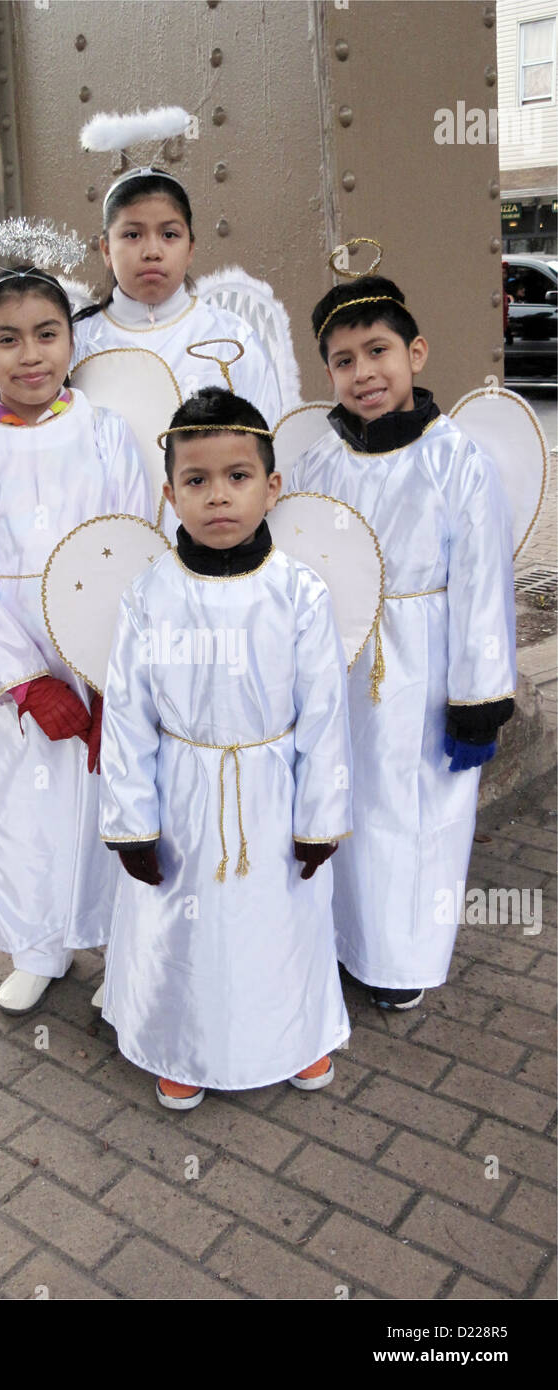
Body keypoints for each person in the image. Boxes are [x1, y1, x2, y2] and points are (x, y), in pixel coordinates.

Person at [99, 386, 352, 1109]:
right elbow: (129, 713)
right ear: (170, 493)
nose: (219, 498)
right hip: (182, 789)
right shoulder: (150, 594)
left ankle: (297, 1034)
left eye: (238, 477)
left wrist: (320, 817)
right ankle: (181, 1041)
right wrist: (133, 822)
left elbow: (325, 714)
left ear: (272, 487)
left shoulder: (299, 592)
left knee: (281, 923)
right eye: (197, 480)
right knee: (190, 930)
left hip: (274, 790)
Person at [289, 275, 516, 1011]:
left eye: (378, 350)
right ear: (329, 374)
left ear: (415, 353)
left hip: (422, 667)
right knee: (344, 802)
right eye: (344, 360)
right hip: (340, 661)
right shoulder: (321, 462)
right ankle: (347, 939)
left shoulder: (456, 461)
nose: (365, 373)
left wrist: (477, 697)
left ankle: (404, 957)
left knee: (416, 816)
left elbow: (482, 584)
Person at [0, 266, 152, 1015]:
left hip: (96, 653)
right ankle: (38, 946)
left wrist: (105, 674)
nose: (30, 355)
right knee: (20, 806)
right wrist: (27, 679)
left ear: (71, 339)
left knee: (107, 801)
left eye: (46, 334)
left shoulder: (104, 433)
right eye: (7, 339)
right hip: (12, 667)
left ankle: (120, 941)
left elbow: (130, 545)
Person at [71, 167, 282, 534]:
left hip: (214, 551)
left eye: (169, 234)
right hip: (105, 550)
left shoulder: (232, 339)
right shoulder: (75, 345)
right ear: (106, 248)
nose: (152, 251)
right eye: (132, 234)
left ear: (190, 248)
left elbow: (271, 450)